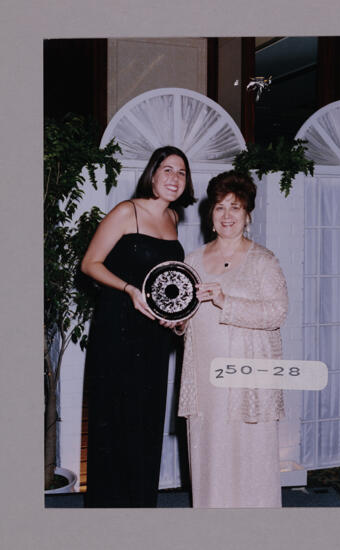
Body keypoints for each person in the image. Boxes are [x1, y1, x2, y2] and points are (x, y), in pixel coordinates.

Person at [81, 145, 196, 507]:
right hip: (117, 328)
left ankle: (140, 508)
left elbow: (167, 281)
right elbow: (90, 264)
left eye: (181, 172)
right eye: (167, 170)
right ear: (152, 173)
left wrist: (176, 317)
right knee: (114, 421)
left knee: (145, 421)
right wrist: (130, 289)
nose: (174, 178)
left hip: (153, 335)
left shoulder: (174, 219)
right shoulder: (126, 211)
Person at [177, 171, 288, 508]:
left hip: (248, 379)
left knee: (252, 458)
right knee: (210, 456)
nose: (227, 215)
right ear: (210, 214)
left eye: (235, 208)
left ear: (247, 215)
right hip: (205, 379)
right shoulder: (192, 261)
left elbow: (277, 313)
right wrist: (178, 323)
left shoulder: (264, 261)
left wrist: (226, 301)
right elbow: (185, 322)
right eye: (220, 207)